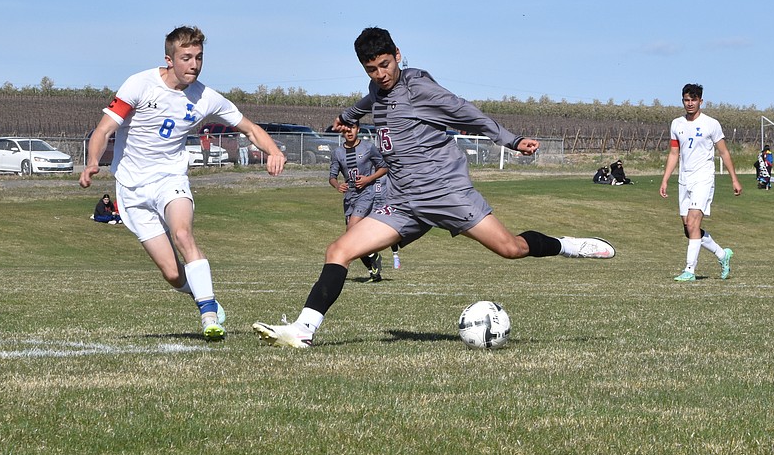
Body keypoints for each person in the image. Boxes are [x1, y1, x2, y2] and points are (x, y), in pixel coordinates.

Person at [252, 26, 614, 349]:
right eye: (371, 69)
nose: (380, 75)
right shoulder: (376, 89)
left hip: (445, 192)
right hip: (404, 200)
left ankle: (568, 245)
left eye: (385, 66)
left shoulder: (421, 89)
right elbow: (369, 101)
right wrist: (348, 116)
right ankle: (303, 330)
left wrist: (512, 139)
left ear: (397, 56)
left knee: (511, 248)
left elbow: (467, 112)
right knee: (339, 250)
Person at [80, 24, 286, 342]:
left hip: (170, 179)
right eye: (186, 57)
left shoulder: (206, 98)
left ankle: (208, 316)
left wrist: (273, 150)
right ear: (169, 59)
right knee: (173, 274)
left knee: (182, 233)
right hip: (132, 189)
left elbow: (249, 127)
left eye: (199, 57)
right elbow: (103, 130)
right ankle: (206, 298)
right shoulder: (139, 85)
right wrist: (93, 162)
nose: (193, 64)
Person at [658, 83, 742, 282]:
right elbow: (673, 153)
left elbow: (723, 152)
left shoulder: (711, 124)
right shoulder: (676, 124)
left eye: (693, 100)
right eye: (686, 100)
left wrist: (734, 179)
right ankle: (722, 255)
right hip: (684, 179)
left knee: (694, 222)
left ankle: (689, 270)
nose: (690, 103)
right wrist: (665, 179)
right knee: (688, 228)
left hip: (703, 178)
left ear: (700, 101)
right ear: (682, 101)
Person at [329, 122, 390, 282]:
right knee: (353, 236)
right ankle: (373, 268)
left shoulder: (368, 148)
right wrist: (337, 185)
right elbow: (332, 176)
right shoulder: (337, 152)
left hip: (366, 195)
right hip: (349, 197)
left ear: (358, 129)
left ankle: (372, 256)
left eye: (353, 128)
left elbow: (384, 167)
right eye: (346, 129)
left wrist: (368, 179)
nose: (349, 132)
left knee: (352, 230)